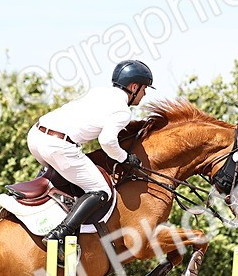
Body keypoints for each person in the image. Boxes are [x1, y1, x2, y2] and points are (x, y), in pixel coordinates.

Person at [27, 59, 153, 242]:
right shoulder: (122, 111)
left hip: (36, 136)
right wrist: (125, 158)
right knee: (102, 190)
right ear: (133, 87)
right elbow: (107, 141)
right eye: (144, 89)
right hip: (58, 146)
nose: (145, 94)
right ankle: (60, 233)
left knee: (65, 177)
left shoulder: (99, 92)